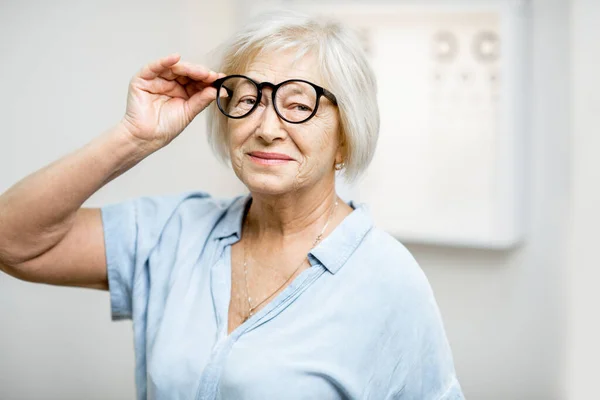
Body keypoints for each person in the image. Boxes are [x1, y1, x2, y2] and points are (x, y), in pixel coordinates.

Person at [0, 10, 464, 400]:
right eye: (249, 99)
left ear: (346, 137)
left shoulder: (388, 280)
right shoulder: (175, 233)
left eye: (298, 105)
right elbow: (12, 241)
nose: (266, 127)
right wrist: (133, 138)